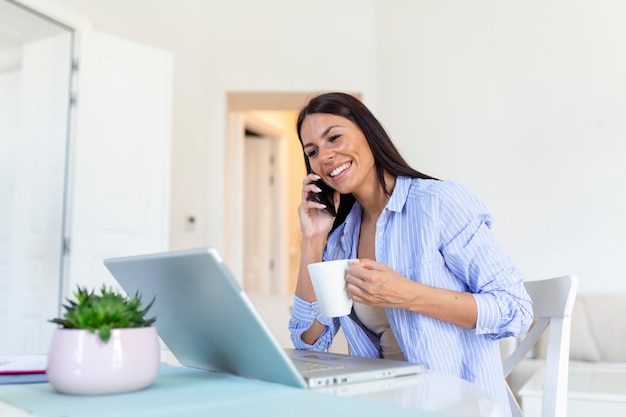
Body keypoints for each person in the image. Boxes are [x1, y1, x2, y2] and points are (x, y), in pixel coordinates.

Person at [288, 92, 533, 416]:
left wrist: (406, 294)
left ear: (369, 133)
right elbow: (308, 342)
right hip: (381, 406)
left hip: (455, 407)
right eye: (313, 152)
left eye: (334, 137)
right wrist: (314, 237)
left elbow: (515, 309)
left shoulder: (439, 204)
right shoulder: (342, 239)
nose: (326, 156)